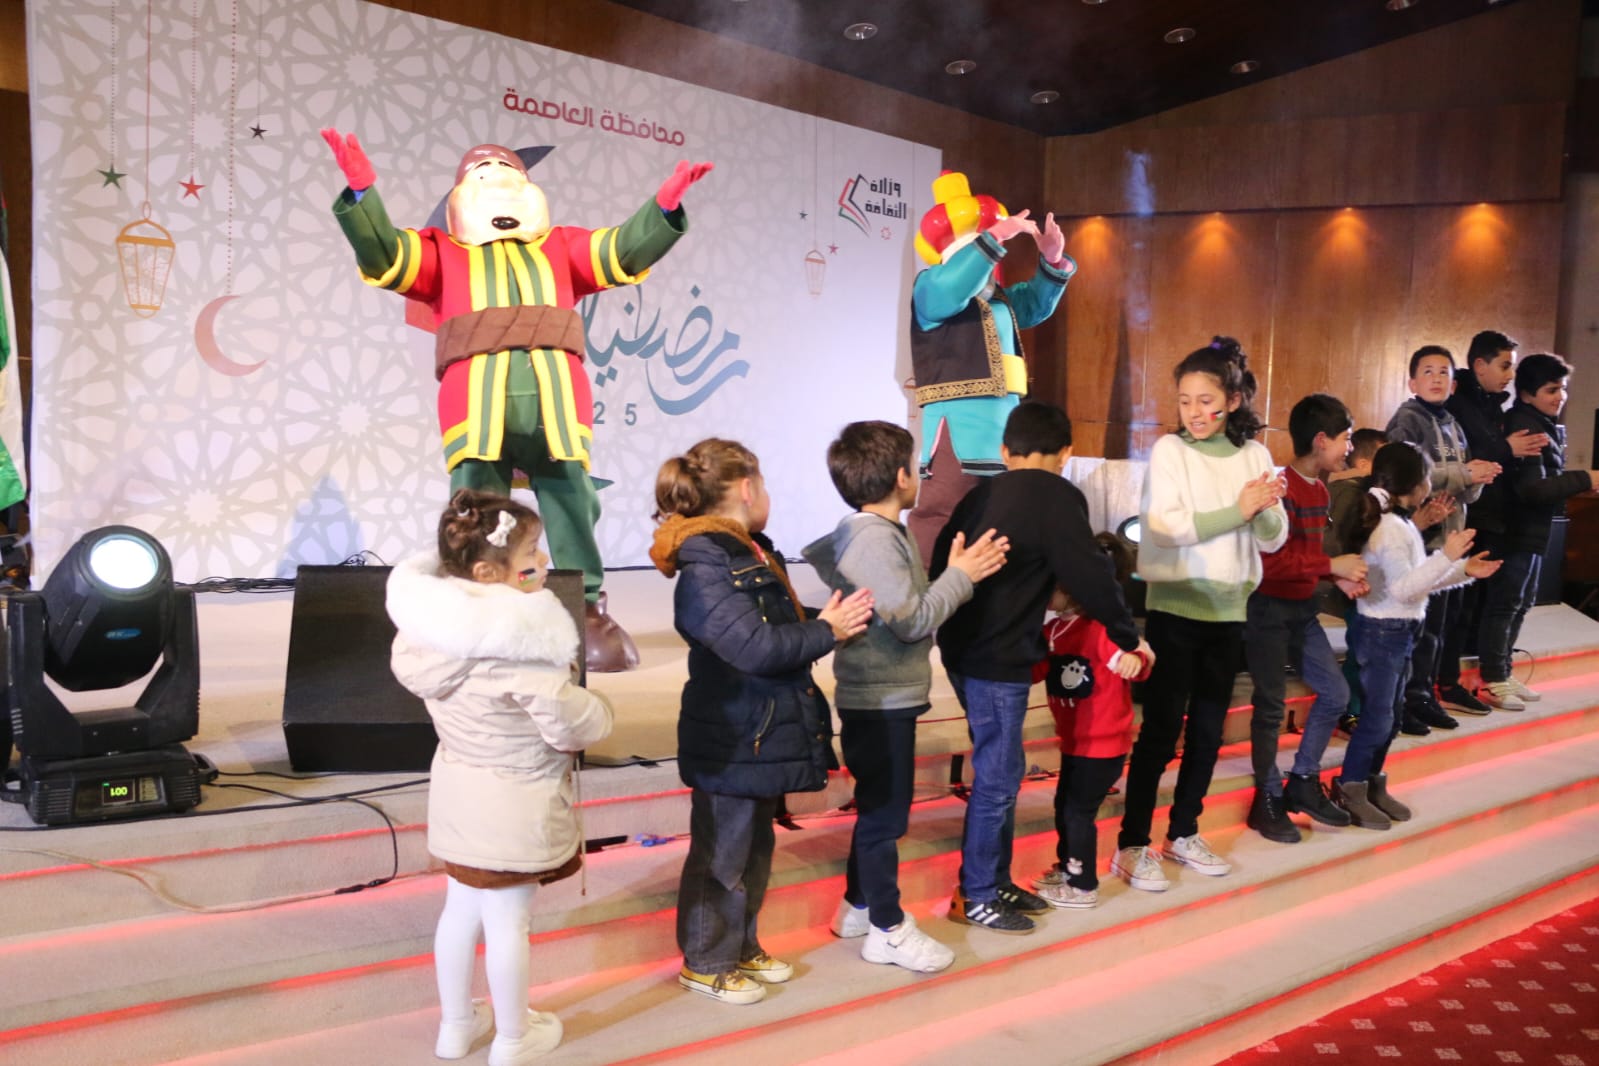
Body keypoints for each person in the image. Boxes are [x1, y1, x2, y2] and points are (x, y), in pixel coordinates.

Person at [323, 128, 712, 672]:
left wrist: (663, 207)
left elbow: (621, 249)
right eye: (482, 173)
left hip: (557, 403)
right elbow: (384, 251)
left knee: (571, 498)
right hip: (475, 406)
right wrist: (363, 193)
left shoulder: (562, 247)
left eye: (507, 172)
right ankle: (474, 601)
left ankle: (583, 607)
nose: (496, 180)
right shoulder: (441, 251)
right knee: (476, 505)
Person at [387, 489, 614, 1066]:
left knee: (460, 911)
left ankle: (455, 1027)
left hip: (460, 795)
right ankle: (514, 1038)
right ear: (489, 573)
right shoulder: (521, 645)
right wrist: (600, 711)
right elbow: (569, 725)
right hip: (516, 801)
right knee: (510, 921)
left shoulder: (430, 633)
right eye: (532, 552)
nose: (544, 560)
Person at [649, 439, 873, 1003]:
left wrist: (832, 620)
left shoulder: (745, 551)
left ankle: (741, 946)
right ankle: (706, 961)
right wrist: (827, 631)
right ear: (747, 489)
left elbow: (775, 623)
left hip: (758, 730)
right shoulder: (706, 562)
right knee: (721, 858)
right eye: (765, 484)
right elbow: (753, 646)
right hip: (732, 737)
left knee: (752, 853)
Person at [931, 401, 1151, 933]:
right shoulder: (1058, 495)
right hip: (997, 658)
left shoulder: (979, 495)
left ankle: (995, 880)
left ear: (1005, 451)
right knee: (998, 779)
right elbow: (1091, 575)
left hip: (962, 649)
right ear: (1066, 453)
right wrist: (1129, 637)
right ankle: (977, 894)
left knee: (1001, 772)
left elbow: (941, 562)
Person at [802, 420, 1008, 972]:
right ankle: (888, 929)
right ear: (900, 476)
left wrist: (955, 574)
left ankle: (858, 905)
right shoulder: (873, 538)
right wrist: (962, 575)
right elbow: (913, 620)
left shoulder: (876, 532)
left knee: (880, 807)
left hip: (884, 693)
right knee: (885, 818)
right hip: (879, 697)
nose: (922, 475)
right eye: (918, 466)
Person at [1114, 337, 1286, 892]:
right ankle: (1132, 843)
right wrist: (1239, 509)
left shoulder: (1254, 455)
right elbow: (1165, 527)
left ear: (1232, 401)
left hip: (1230, 611)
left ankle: (1183, 832)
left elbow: (1274, 537)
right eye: (1185, 400)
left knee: (1209, 732)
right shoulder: (1172, 451)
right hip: (1176, 607)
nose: (1194, 411)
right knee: (1161, 731)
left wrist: (1262, 510)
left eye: (1206, 400)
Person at [904, 170, 1076, 566]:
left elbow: (1035, 304)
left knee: (1001, 518)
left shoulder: (998, 301)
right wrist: (996, 237)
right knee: (944, 513)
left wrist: (1051, 258)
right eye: (977, 253)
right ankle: (927, 591)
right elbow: (953, 285)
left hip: (1004, 426)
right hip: (958, 427)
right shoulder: (931, 289)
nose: (986, 266)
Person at [1332, 443, 1499, 828]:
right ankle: (1349, 787)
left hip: (1400, 631)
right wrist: (1448, 556)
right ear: (1413, 483)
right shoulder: (1389, 529)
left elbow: (1419, 581)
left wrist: (1463, 570)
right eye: (1426, 476)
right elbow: (1405, 589)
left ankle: (1371, 784)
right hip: (1382, 632)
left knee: (1390, 719)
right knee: (1377, 719)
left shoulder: (1402, 523)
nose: (1430, 484)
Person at [1245, 394, 1369, 843]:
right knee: (1270, 706)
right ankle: (1266, 797)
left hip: (1302, 610)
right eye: (1345, 439)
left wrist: (1335, 577)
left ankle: (1302, 780)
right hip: (1267, 610)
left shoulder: (1319, 488)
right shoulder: (1281, 486)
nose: (1349, 449)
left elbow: (1306, 558)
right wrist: (1331, 566)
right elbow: (1270, 564)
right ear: (1320, 440)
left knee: (1335, 693)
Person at [1030, 534, 1151, 908]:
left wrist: (1135, 659)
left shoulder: (1099, 629)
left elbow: (1136, 660)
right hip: (1075, 741)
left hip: (1102, 744)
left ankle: (1082, 884)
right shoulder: (1053, 631)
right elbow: (1036, 670)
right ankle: (1069, 866)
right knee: (1065, 806)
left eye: (1052, 586)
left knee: (1078, 812)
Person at [1385, 346, 1499, 733]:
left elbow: (1465, 489)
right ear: (1412, 382)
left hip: (1450, 540)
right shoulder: (1407, 419)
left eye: (1444, 372)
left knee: (1442, 627)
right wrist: (1465, 474)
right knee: (1421, 628)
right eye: (1428, 371)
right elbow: (1409, 473)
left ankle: (1427, 692)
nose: (1436, 378)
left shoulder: (1453, 423)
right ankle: (1409, 699)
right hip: (1421, 537)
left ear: (1453, 383)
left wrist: (1478, 478)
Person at [1481, 354, 1599, 709]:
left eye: (1562, 388)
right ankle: (1493, 678)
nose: (1560, 396)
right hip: (1513, 531)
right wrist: (1585, 478)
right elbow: (1533, 489)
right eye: (1551, 389)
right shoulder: (1526, 425)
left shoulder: (1541, 422)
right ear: (1528, 394)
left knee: (1520, 603)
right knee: (1505, 605)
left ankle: (1503, 671)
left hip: (1531, 531)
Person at [1443, 331, 1549, 714]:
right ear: (1479, 365)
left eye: (1512, 367)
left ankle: (1487, 674)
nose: (1510, 375)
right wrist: (1507, 447)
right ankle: (1450, 683)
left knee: (1487, 605)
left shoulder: (1492, 406)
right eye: (1504, 366)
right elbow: (1466, 455)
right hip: (1465, 517)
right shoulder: (1459, 403)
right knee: (1460, 609)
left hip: (1491, 517)